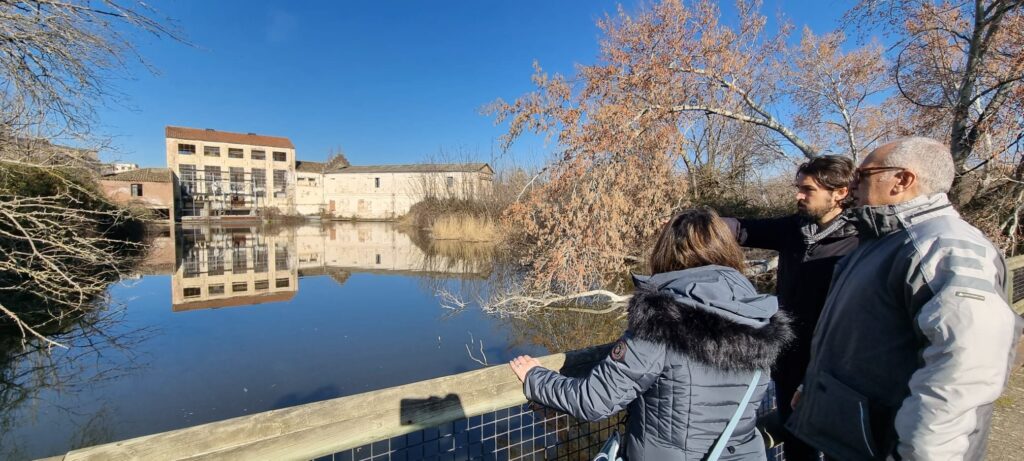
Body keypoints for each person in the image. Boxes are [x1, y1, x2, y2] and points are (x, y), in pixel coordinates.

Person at [786, 137, 1022, 460]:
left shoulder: (943, 247)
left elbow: (964, 369)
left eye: (863, 175)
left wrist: (920, 454)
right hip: (858, 441)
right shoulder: (881, 240)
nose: (852, 185)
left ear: (902, 180)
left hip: (891, 448)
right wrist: (812, 388)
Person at [508, 209, 794, 460]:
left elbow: (594, 400)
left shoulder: (663, 321)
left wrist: (535, 377)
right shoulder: (758, 314)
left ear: (668, 251)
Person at [721, 156, 858, 461]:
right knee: (797, 445)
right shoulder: (794, 229)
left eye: (807, 189)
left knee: (840, 449)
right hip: (788, 361)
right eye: (798, 187)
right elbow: (742, 229)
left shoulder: (861, 243)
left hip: (834, 369)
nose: (798, 195)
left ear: (840, 193)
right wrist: (699, 223)